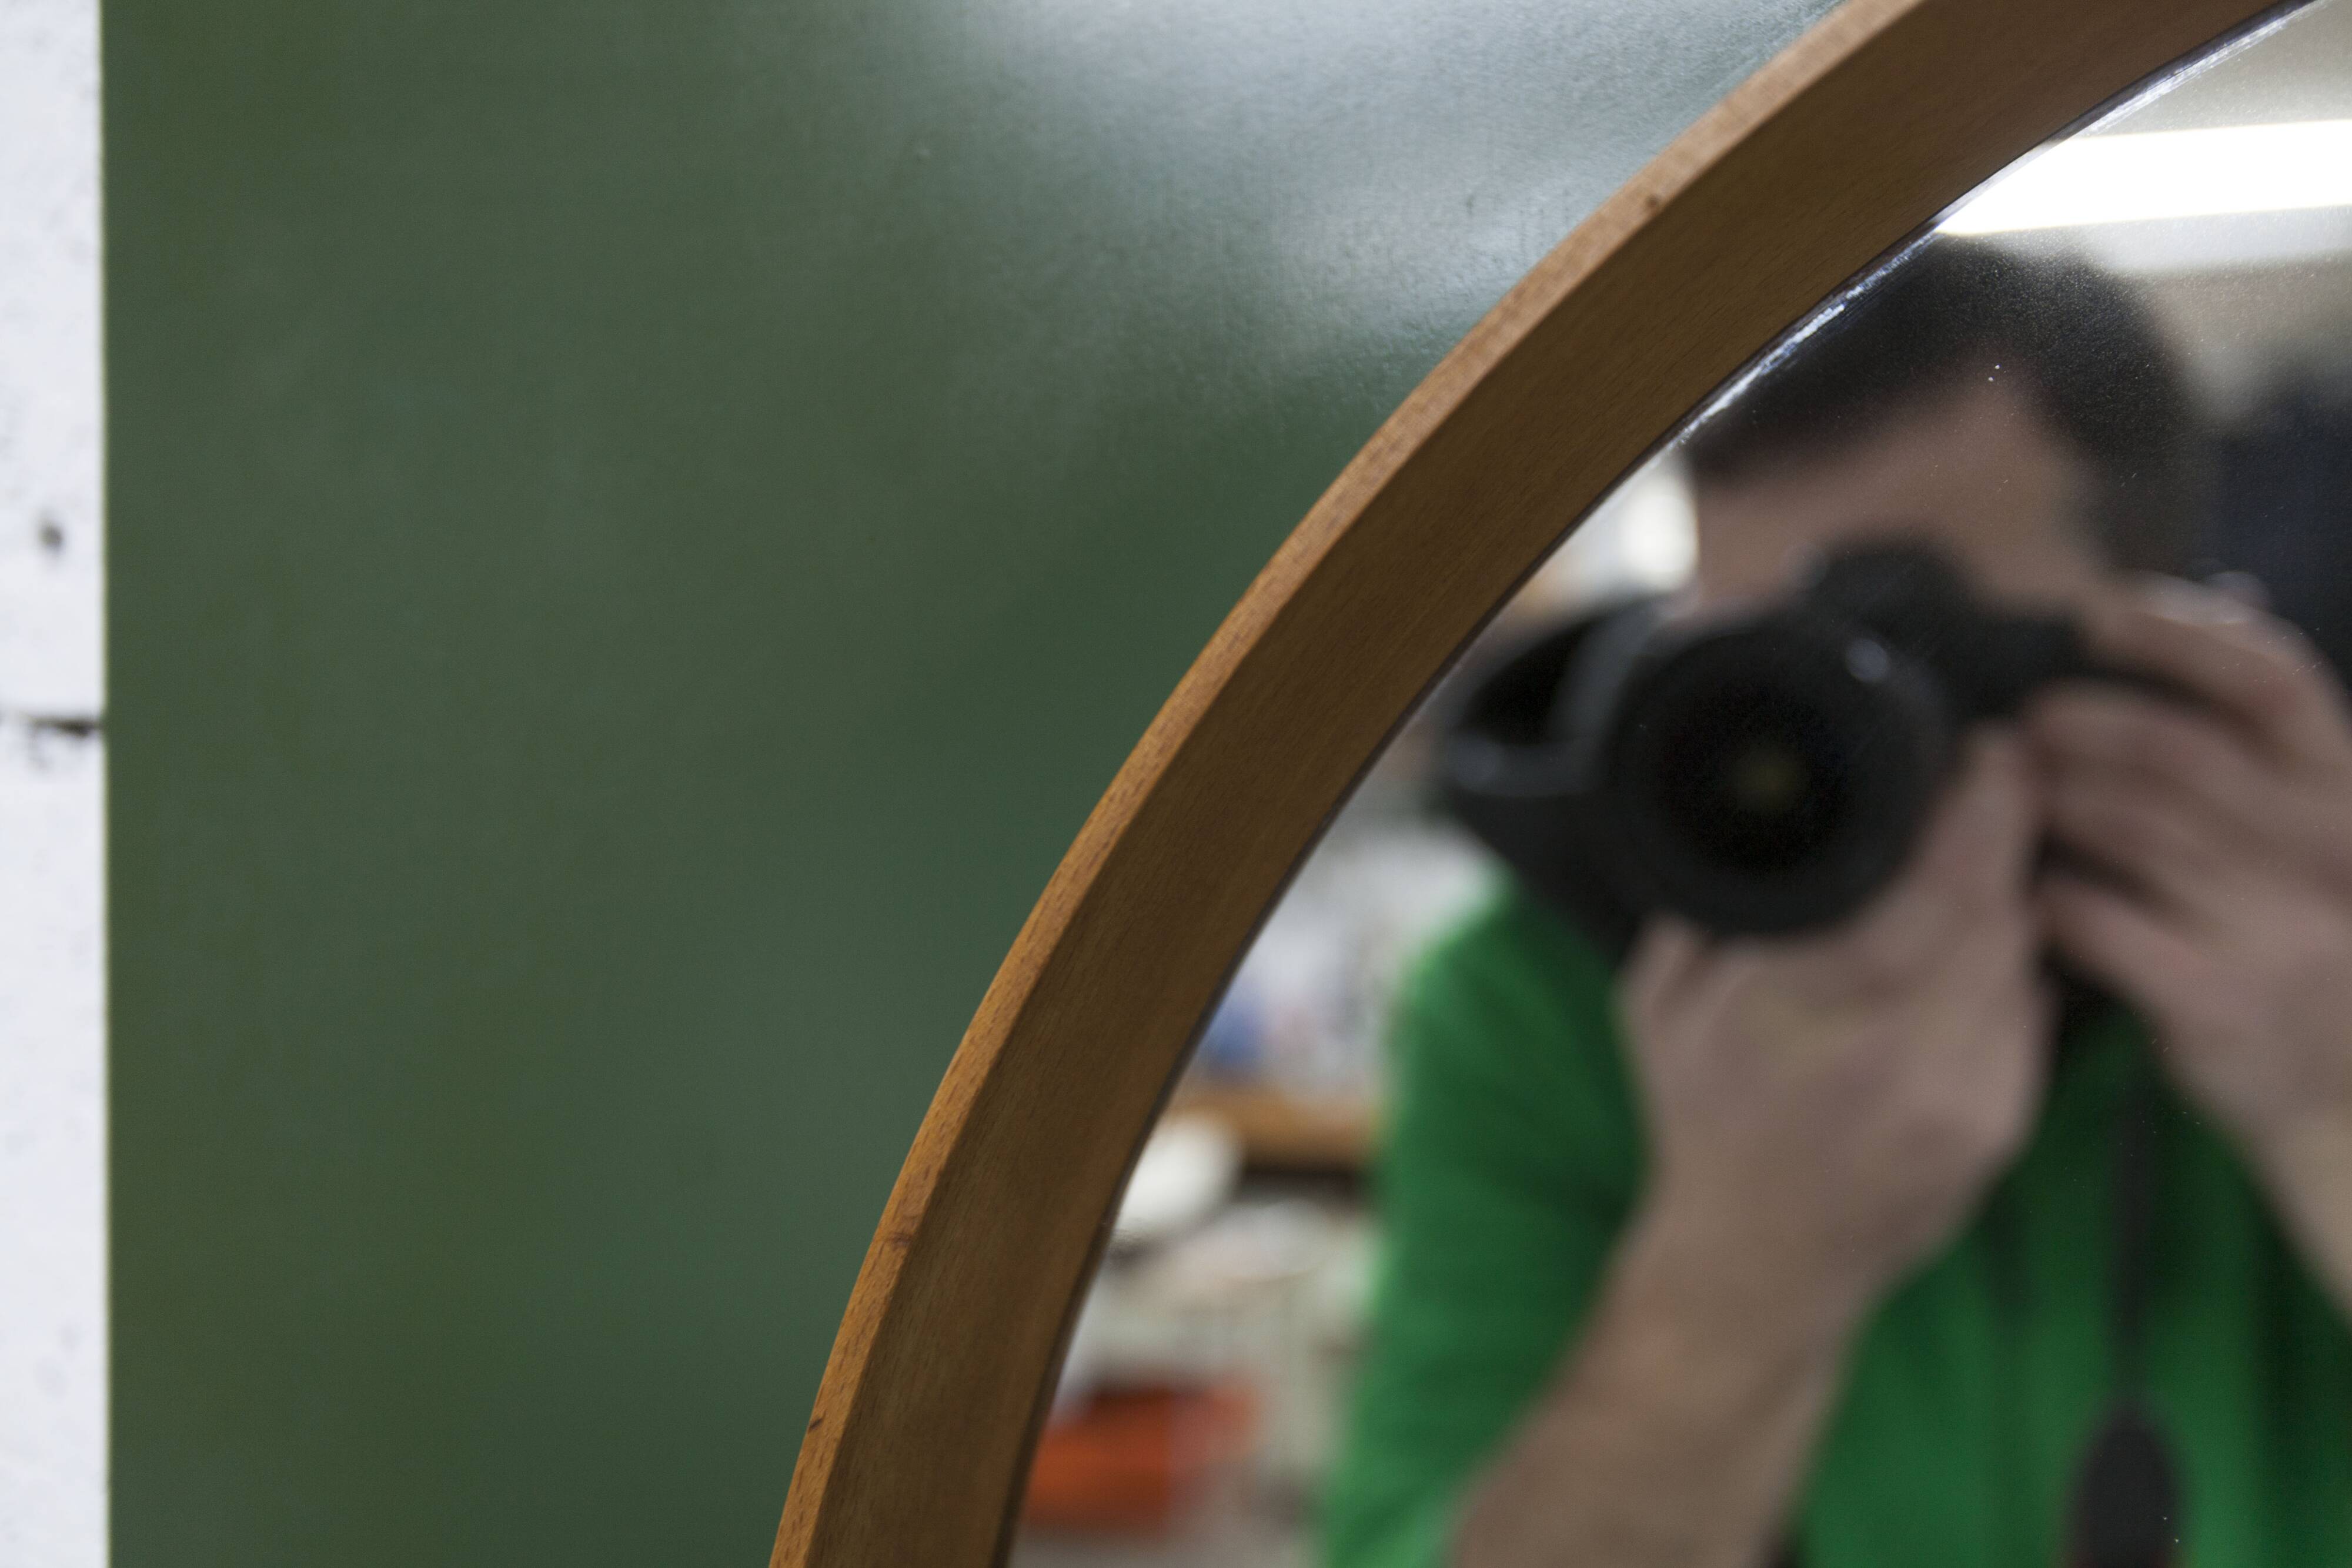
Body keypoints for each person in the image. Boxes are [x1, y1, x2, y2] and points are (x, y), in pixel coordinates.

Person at [1322, 242, 2352, 1567]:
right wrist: (1738, 1275)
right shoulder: (1538, 993)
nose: (1814, 730)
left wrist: (2327, 1100)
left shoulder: (2313, 936)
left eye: (1916, 642)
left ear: (2166, 645)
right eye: (1751, 655)